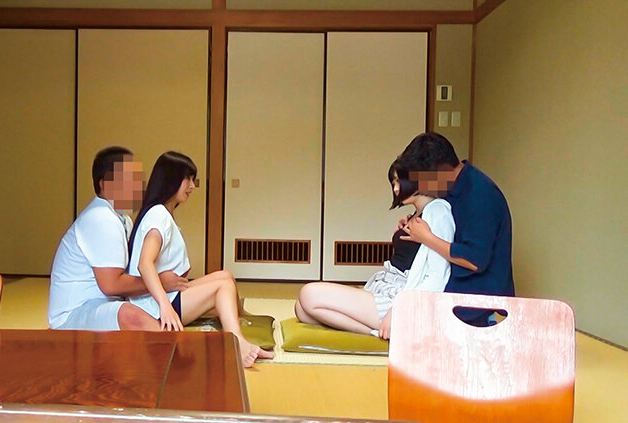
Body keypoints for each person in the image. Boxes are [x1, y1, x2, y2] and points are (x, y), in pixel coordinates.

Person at [127, 151, 274, 367]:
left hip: (169, 294)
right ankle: (238, 343)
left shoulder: (162, 212)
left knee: (225, 276)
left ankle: (240, 318)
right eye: (187, 179)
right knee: (222, 287)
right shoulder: (158, 215)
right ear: (170, 180)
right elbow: (144, 263)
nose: (192, 186)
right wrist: (165, 307)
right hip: (154, 306)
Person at [295, 161, 455, 339]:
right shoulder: (417, 214)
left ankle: (389, 330)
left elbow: (438, 275)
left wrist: (399, 308)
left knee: (309, 294)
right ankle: (378, 331)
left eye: (399, 181)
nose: (395, 189)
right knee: (302, 310)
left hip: (400, 298)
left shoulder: (438, 211)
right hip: (385, 288)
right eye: (393, 183)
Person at [47, 146, 187, 331]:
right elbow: (111, 285)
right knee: (128, 313)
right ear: (105, 184)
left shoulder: (122, 219)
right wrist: (160, 283)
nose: (138, 185)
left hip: (103, 304)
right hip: (74, 313)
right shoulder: (100, 218)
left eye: (138, 178)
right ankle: (174, 343)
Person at [396, 132, 514, 326]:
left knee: (395, 320)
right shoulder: (452, 188)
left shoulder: (480, 194)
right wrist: (415, 223)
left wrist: (426, 237)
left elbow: (474, 260)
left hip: (475, 301)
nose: (420, 187)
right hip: (453, 289)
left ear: (438, 170)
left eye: (421, 180)